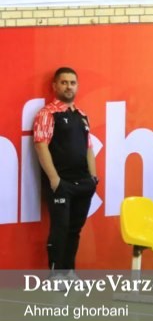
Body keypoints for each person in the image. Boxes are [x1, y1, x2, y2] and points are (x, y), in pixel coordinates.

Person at [33, 67, 98, 275]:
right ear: (55, 86)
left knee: (74, 230)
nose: (68, 87)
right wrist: (54, 180)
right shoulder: (47, 114)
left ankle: (69, 272)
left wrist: (93, 178)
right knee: (60, 230)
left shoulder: (82, 116)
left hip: (83, 183)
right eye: (64, 82)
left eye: (72, 83)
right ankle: (56, 275)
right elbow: (41, 146)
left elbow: (88, 148)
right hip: (62, 184)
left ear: (77, 86)